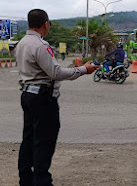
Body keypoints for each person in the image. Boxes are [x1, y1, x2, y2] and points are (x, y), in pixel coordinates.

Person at [15, 9, 99, 186]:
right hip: (43, 98)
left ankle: (26, 179)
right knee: (44, 140)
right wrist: (83, 70)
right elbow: (55, 72)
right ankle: (42, 181)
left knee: (29, 138)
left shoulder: (22, 43)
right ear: (46, 24)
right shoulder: (40, 45)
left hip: (28, 95)